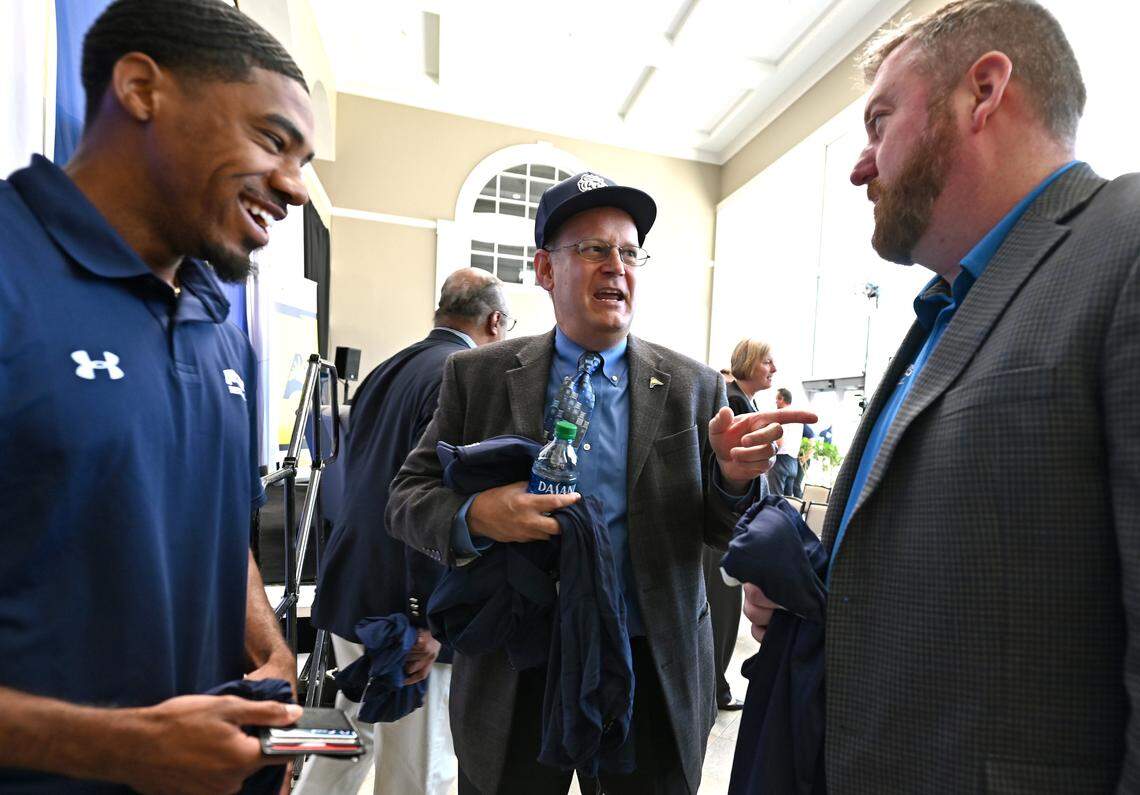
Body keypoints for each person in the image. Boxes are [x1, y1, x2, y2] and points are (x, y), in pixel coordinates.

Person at [741, 1, 1139, 790]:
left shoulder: (1122, 248)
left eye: (880, 121)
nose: (860, 164)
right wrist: (820, 590)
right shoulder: (945, 307)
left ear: (984, 91)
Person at [387, 172, 814, 795]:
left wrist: (733, 479)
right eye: (592, 249)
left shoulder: (692, 386)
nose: (615, 265)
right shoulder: (477, 377)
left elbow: (725, 529)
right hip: (519, 663)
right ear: (545, 269)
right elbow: (407, 497)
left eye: (629, 251)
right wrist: (478, 514)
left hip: (648, 660)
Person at [0, 1, 314, 791]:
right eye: (274, 141)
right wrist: (117, 746)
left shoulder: (217, 318)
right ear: (141, 87)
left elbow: (209, 519)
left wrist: (268, 650)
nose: (295, 188)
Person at [302, 268, 512, 795]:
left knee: (349, 732)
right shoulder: (460, 374)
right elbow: (431, 504)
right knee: (419, 764)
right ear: (495, 321)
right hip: (406, 600)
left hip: (354, 579)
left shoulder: (388, 367)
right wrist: (427, 618)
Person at [700, 342, 769, 713]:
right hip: (724, 531)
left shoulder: (743, 399)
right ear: (749, 362)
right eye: (767, 360)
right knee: (723, 610)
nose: (773, 368)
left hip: (732, 529)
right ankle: (716, 688)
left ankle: (716, 685)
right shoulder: (732, 400)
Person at [768, 388, 803, 496]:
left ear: (782, 399)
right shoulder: (797, 417)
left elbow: (779, 441)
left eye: (777, 399)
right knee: (788, 499)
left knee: (775, 498)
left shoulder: (782, 415)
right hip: (793, 462)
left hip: (780, 461)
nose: (775, 402)